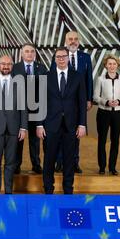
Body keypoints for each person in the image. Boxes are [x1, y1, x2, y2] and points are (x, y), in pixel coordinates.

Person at [37, 47, 87, 194]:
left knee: (69, 159)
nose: (61, 59)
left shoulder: (77, 76)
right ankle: (48, 188)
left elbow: (82, 102)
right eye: (58, 57)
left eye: (63, 56)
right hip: (50, 124)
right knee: (49, 158)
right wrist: (39, 124)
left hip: (71, 125)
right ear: (55, 59)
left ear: (67, 58)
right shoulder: (46, 76)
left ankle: (68, 189)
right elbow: (40, 103)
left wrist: (82, 124)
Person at [0, 55, 27, 194]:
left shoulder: (19, 83)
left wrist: (23, 127)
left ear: (12, 66)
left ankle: (8, 191)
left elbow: (23, 108)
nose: (6, 66)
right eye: (3, 64)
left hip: (14, 129)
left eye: (8, 64)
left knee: (10, 163)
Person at [52, 31, 93, 174]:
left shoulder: (85, 58)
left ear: (79, 41)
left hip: (78, 102)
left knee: (75, 134)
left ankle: (74, 162)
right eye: (70, 39)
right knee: (58, 132)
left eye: (75, 39)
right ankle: (59, 162)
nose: (73, 41)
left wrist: (89, 99)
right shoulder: (57, 56)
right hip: (61, 102)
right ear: (65, 41)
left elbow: (89, 79)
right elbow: (53, 79)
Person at [12, 43, 46, 174]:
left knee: (34, 139)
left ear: (35, 54)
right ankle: (16, 165)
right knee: (18, 139)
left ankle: (36, 164)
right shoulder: (15, 68)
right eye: (27, 51)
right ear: (21, 54)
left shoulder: (42, 68)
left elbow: (44, 91)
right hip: (18, 110)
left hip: (35, 110)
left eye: (32, 51)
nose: (30, 54)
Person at [93, 55, 120, 176]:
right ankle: (102, 167)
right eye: (109, 64)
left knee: (115, 140)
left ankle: (112, 167)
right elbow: (95, 96)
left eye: (114, 64)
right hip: (103, 113)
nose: (112, 66)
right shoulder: (100, 79)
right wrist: (106, 102)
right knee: (102, 140)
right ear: (106, 65)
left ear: (117, 65)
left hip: (118, 113)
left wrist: (119, 102)